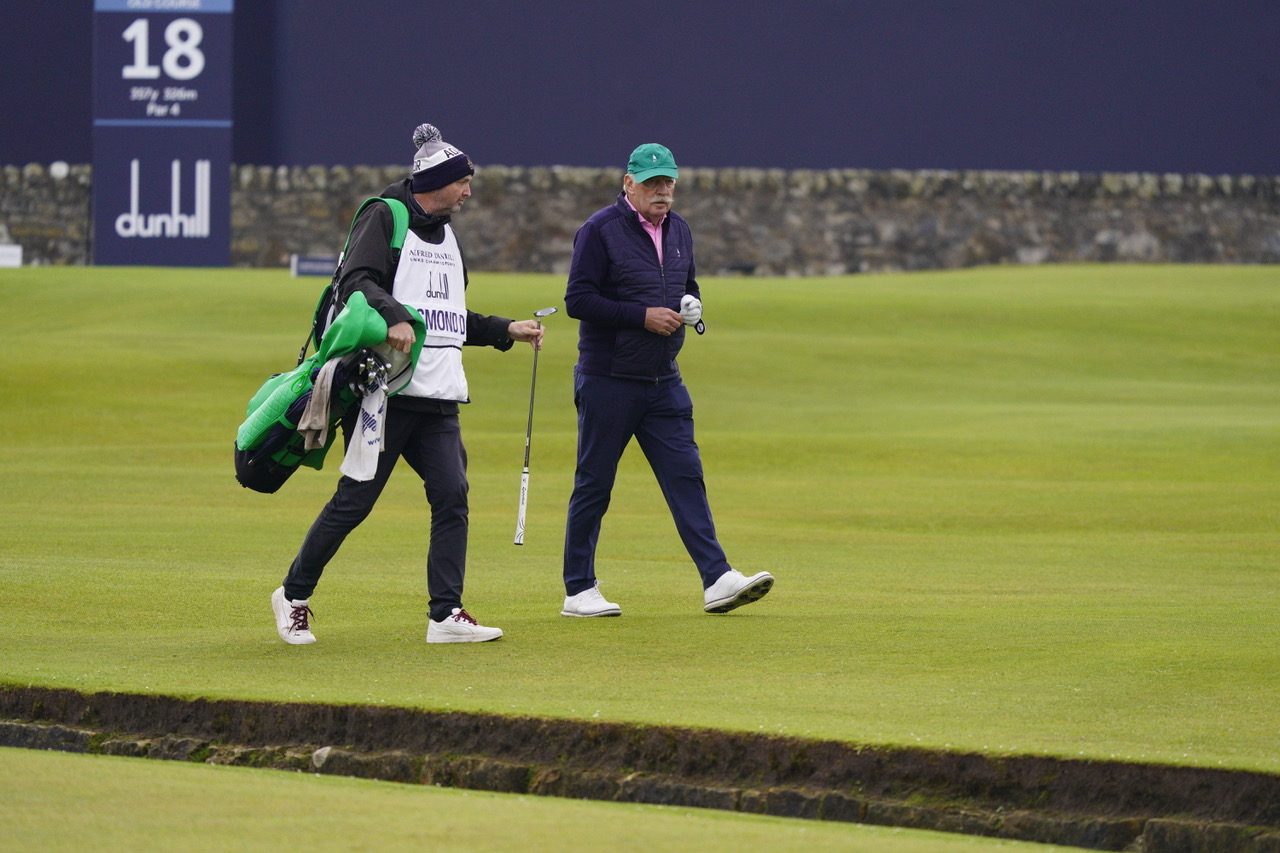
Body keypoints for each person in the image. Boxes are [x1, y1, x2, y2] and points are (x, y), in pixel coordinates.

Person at [271, 122, 544, 645]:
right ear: (436, 180)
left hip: (438, 395)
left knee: (452, 494)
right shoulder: (385, 215)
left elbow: (450, 317)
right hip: (383, 392)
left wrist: (506, 330)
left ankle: (445, 614)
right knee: (355, 501)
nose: (468, 192)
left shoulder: (450, 237)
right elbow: (356, 279)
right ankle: (293, 594)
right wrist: (393, 314)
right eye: (462, 181)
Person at [560, 142, 774, 617]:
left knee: (686, 476)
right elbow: (578, 300)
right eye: (652, 183)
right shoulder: (599, 230)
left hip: (663, 378)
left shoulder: (679, 230)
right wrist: (641, 317)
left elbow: (686, 283)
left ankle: (717, 578)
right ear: (628, 183)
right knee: (595, 482)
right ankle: (578, 589)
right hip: (608, 376)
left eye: (668, 183)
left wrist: (691, 302)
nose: (662, 191)